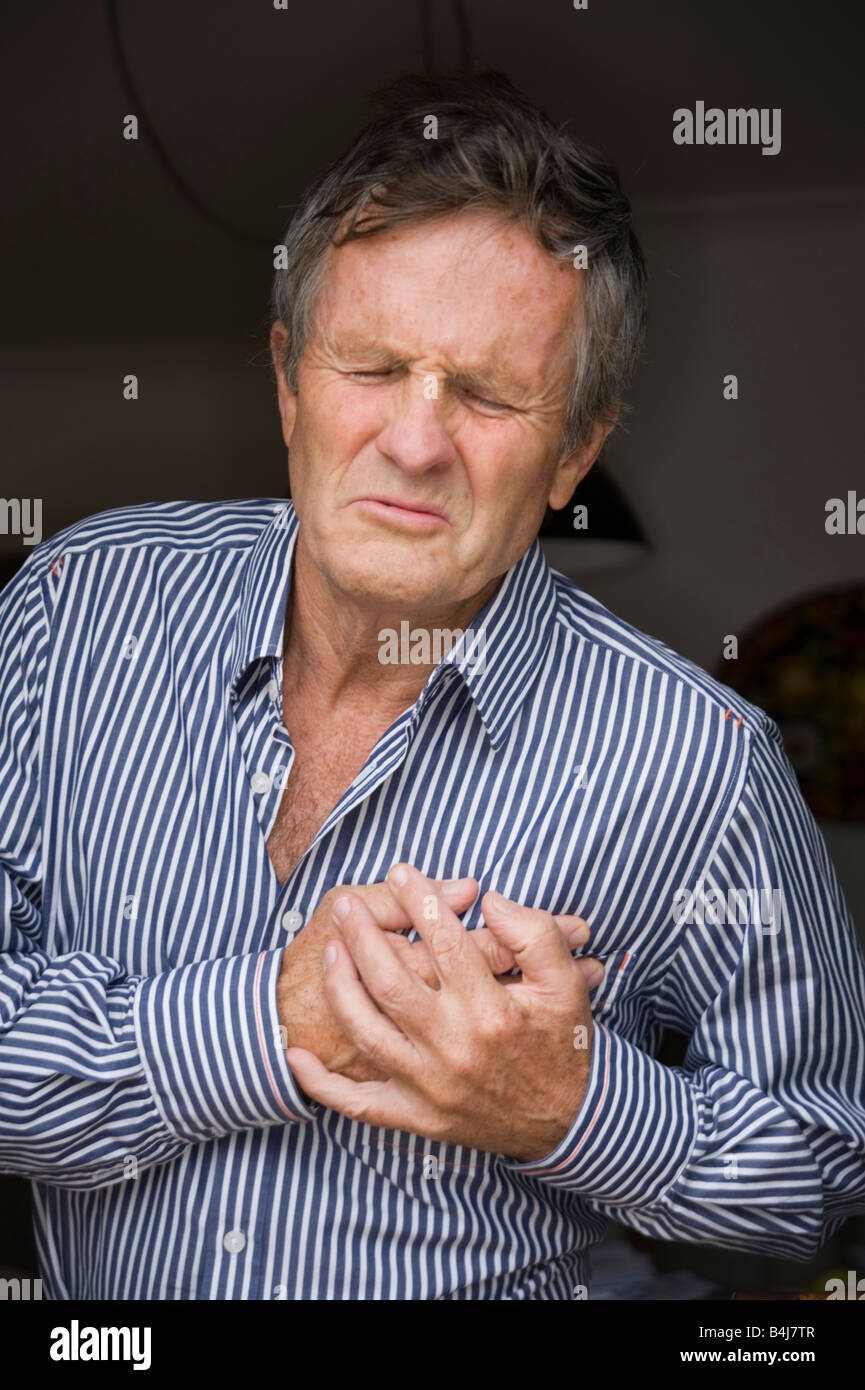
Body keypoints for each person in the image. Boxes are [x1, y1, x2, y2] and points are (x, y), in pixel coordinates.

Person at [1, 71, 863, 1301]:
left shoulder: (700, 760)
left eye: (489, 392)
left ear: (575, 450)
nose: (414, 441)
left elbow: (823, 1180)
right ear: (288, 375)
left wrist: (572, 1106)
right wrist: (269, 1022)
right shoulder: (77, 609)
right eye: (371, 367)